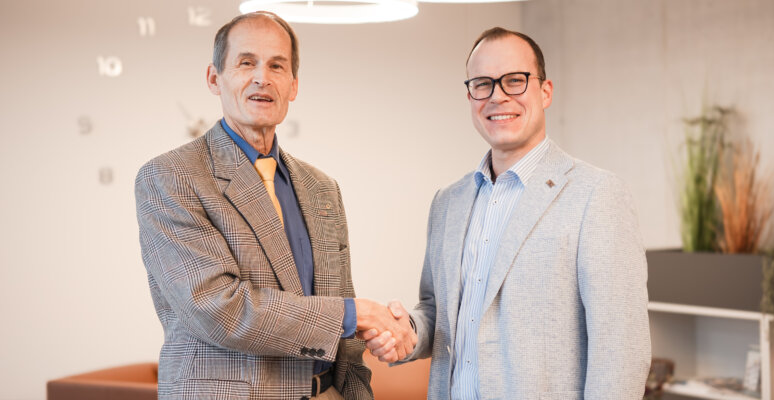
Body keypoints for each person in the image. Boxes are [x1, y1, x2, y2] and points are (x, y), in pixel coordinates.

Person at [135, 12, 414, 400]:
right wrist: (356, 314)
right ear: (214, 78)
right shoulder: (172, 176)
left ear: (293, 85)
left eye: (277, 66)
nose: (262, 78)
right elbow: (218, 309)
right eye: (246, 62)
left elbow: (343, 330)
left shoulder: (322, 189)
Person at [364, 27, 651, 399]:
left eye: (515, 80)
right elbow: (438, 310)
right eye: (482, 84)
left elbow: (621, 351)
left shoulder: (596, 195)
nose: (497, 96)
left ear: (545, 91)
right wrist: (408, 332)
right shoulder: (447, 203)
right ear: (470, 96)